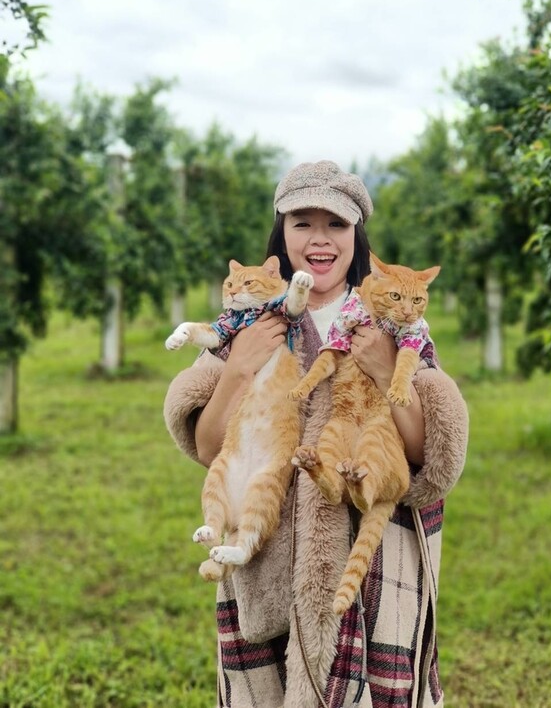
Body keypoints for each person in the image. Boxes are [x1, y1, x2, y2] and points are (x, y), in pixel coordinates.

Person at [163, 160, 469, 708]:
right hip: (268, 549)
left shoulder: (388, 321)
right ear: (281, 233)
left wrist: (380, 369)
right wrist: (237, 368)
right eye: (303, 223)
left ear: (357, 236)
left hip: (367, 555)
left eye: (337, 225)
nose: (320, 239)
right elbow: (211, 449)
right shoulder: (253, 319)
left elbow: (428, 456)